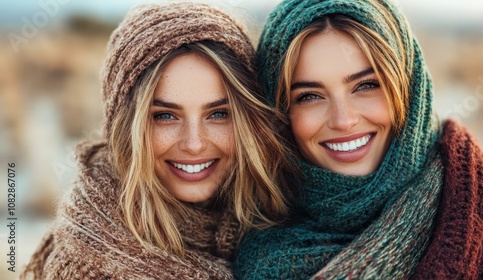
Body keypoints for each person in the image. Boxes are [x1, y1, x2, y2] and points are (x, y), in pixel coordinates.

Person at [20, 2, 293, 279]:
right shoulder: (87, 263)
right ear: (125, 127)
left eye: (219, 114)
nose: (194, 143)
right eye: (165, 116)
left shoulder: (283, 219)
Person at [233, 0, 483, 279]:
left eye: (366, 85)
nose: (343, 120)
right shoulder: (253, 255)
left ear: (409, 87)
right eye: (309, 96)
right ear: (278, 113)